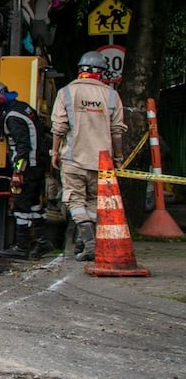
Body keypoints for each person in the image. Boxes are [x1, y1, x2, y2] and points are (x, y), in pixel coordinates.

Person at [51, 51, 126, 262]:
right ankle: (84, 242)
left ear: (80, 69)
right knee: (94, 201)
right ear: (102, 73)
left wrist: (55, 152)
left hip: (73, 158)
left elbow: (59, 128)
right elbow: (117, 132)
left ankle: (89, 242)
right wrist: (117, 158)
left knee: (75, 200)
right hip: (102, 161)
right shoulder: (112, 96)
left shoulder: (66, 92)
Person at [0, 80, 53, 259]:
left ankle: (22, 247)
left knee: (21, 205)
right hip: (38, 164)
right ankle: (42, 242)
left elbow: (22, 147)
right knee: (34, 204)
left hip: (28, 167)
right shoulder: (22, 108)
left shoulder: (12, 117)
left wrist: (18, 172)